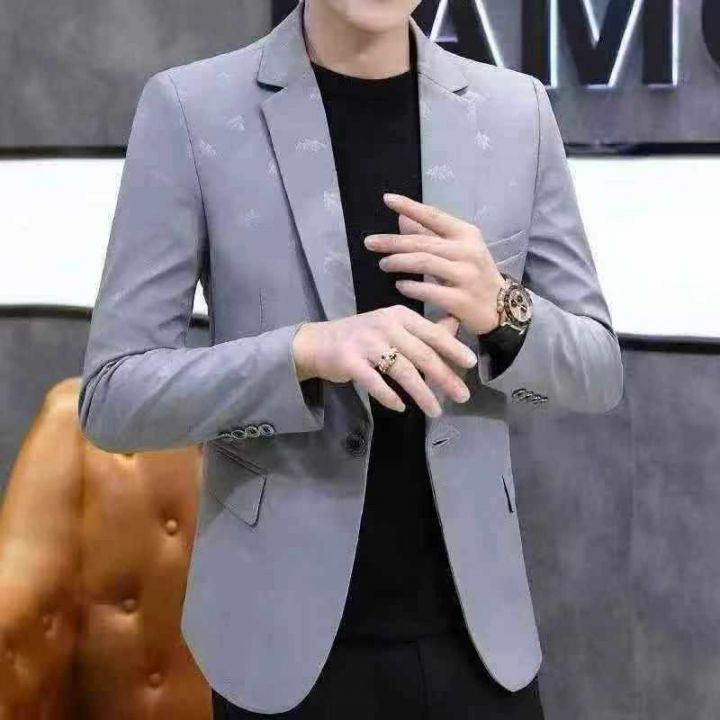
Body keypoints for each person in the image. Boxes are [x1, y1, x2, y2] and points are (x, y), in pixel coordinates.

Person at [78, 0, 624, 717]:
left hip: (480, 646)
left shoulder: (515, 111)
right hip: (279, 647)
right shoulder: (192, 109)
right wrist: (303, 352)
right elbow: (114, 397)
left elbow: (597, 371)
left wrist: (501, 307)